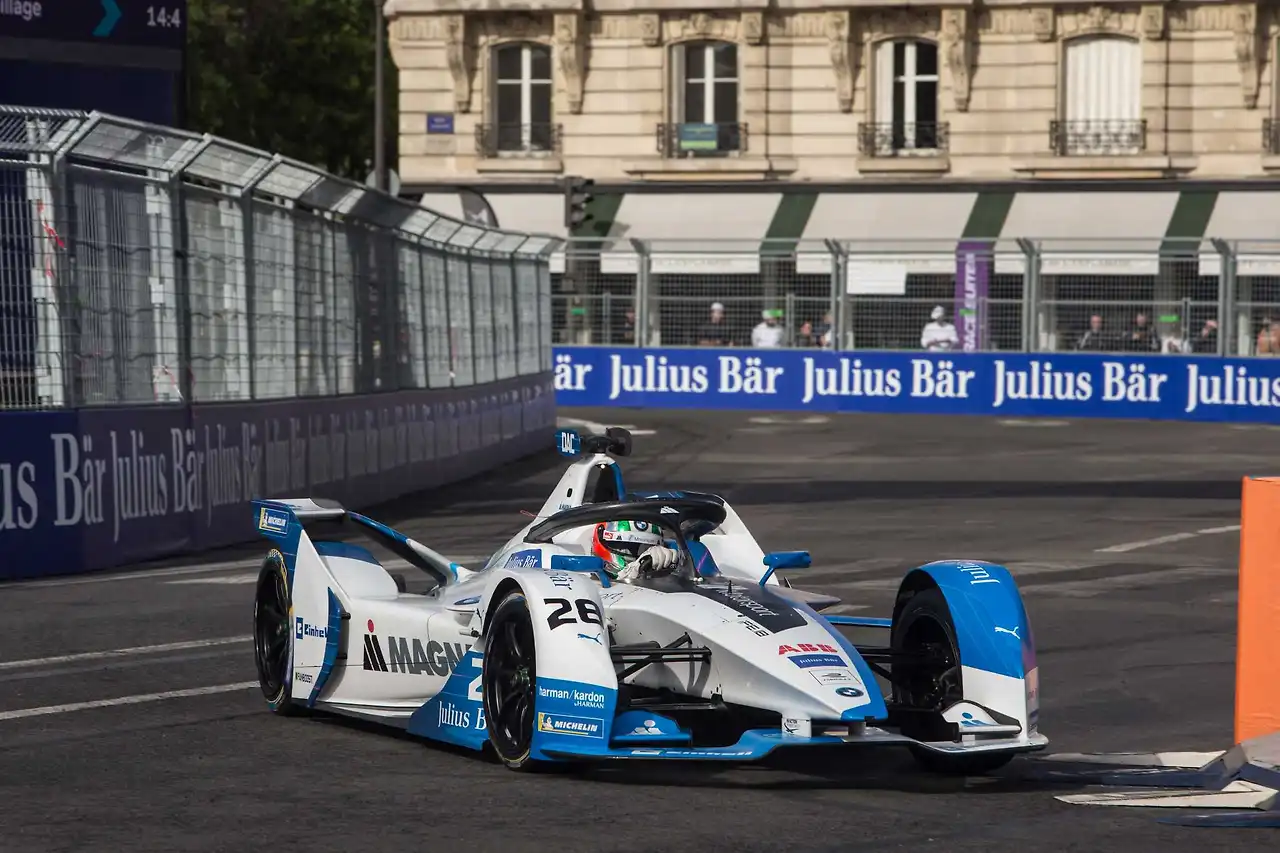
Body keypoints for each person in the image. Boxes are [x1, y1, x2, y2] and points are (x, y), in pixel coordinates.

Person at [592, 520, 681, 582]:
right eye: (627, 546)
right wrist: (635, 568)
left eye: (646, 547)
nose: (642, 553)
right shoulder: (587, 581)